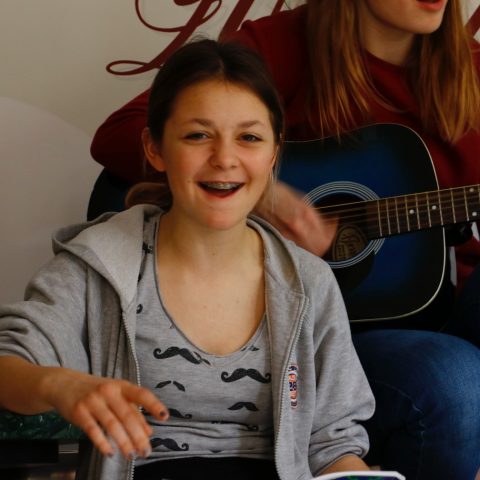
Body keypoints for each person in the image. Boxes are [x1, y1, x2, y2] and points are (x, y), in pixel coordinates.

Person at [89, 1, 480, 479]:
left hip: (447, 309)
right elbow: (120, 133)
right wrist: (262, 194)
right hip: (310, 333)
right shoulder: (283, 44)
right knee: (455, 382)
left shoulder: (472, 69)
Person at [0, 39, 376, 480]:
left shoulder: (309, 281)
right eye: (198, 135)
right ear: (155, 149)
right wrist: (62, 385)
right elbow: (9, 365)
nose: (225, 159)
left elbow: (333, 444)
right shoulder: (98, 265)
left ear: (274, 152)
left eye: (249, 138)